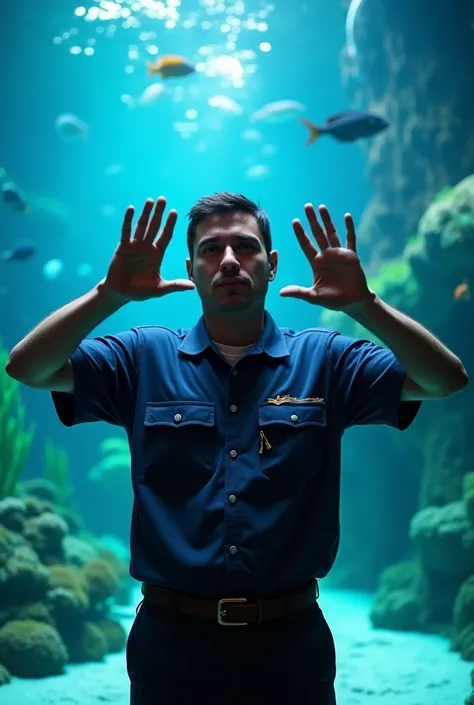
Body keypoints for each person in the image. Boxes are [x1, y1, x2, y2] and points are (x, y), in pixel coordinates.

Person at [6, 192, 468, 705]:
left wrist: (366, 305)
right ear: (189, 268)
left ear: (271, 266)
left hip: (290, 644)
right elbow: (28, 368)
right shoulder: (143, 356)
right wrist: (108, 295)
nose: (228, 260)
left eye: (245, 247)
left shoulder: (326, 360)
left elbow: (444, 379)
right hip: (171, 642)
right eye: (210, 250)